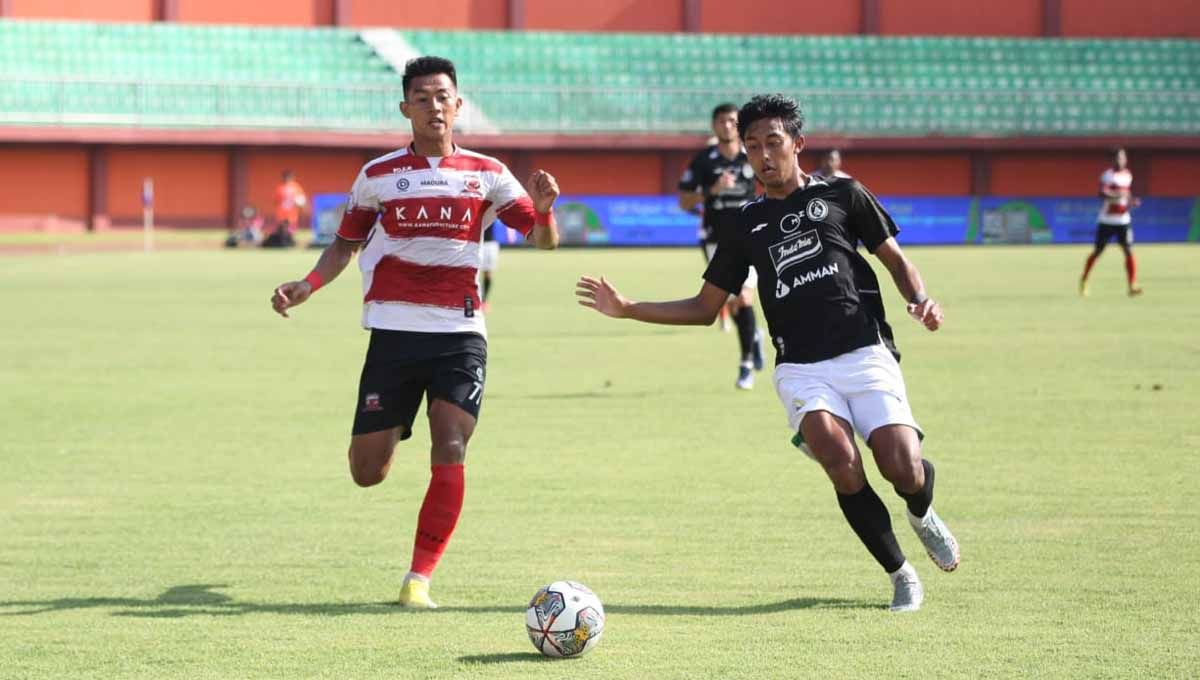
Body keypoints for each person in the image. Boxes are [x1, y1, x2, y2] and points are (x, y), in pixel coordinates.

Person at [577, 94, 959, 612]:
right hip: (801, 367)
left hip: (865, 352)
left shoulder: (844, 194)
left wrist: (919, 301)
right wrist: (628, 308)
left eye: (772, 143)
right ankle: (900, 574)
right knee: (841, 462)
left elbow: (894, 258)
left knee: (902, 467)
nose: (762, 155)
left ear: (798, 144)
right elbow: (705, 307)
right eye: (752, 145)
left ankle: (921, 512)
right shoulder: (744, 224)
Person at [270, 56, 560, 609]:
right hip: (394, 335)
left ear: (458, 105)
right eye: (422, 97)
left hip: (460, 333)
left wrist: (543, 213)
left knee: (450, 444)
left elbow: (542, 242)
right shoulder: (377, 175)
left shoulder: (489, 172)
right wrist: (309, 284)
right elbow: (344, 244)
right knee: (367, 472)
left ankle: (418, 579)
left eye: (443, 96)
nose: (434, 105)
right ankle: (392, 426)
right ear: (406, 108)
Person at [678, 102, 765, 389]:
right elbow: (684, 201)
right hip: (716, 241)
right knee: (732, 302)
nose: (727, 126)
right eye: (721, 121)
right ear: (714, 125)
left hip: (751, 238)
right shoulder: (704, 161)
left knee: (744, 299)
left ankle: (746, 364)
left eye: (732, 121)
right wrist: (711, 190)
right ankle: (753, 336)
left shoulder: (754, 155)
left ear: (738, 125)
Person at [1080, 148, 1142, 296]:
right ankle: (1084, 278)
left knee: (1128, 250)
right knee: (1098, 252)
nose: (1120, 160)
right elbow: (1102, 193)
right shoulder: (1108, 176)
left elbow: (1126, 194)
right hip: (1107, 220)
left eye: (1123, 158)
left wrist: (1131, 201)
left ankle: (1132, 285)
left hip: (1123, 220)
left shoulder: (1128, 175)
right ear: (1113, 160)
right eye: (1117, 158)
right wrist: (1118, 194)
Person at [274, 170, 308, 234]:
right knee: (283, 226)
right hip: (282, 212)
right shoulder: (280, 188)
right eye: (286, 177)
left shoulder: (296, 187)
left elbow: (301, 198)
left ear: (292, 177)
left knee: (291, 226)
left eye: (289, 177)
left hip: (292, 212)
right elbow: (276, 200)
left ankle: (291, 238)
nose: (287, 178)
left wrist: (304, 206)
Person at [478, 224, 500, 312]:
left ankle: (484, 301)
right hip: (475, 242)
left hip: (489, 244)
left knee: (488, 274)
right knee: (471, 274)